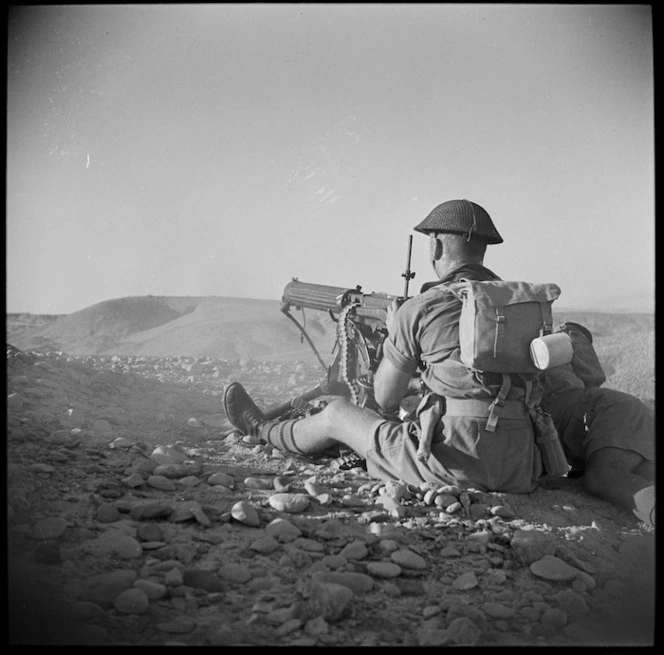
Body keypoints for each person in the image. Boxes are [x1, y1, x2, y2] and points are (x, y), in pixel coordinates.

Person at [223, 199, 545, 494]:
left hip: (455, 466)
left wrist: (396, 336)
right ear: (482, 250)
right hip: (517, 467)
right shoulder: (518, 307)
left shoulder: (423, 306)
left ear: (434, 246)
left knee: (336, 413)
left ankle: (261, 427)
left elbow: (385, 396)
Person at [540, 323, 655, 529]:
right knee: (643, 473)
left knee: (603, 477)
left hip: (611, 412)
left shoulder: (538, 372)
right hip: (618, 412)